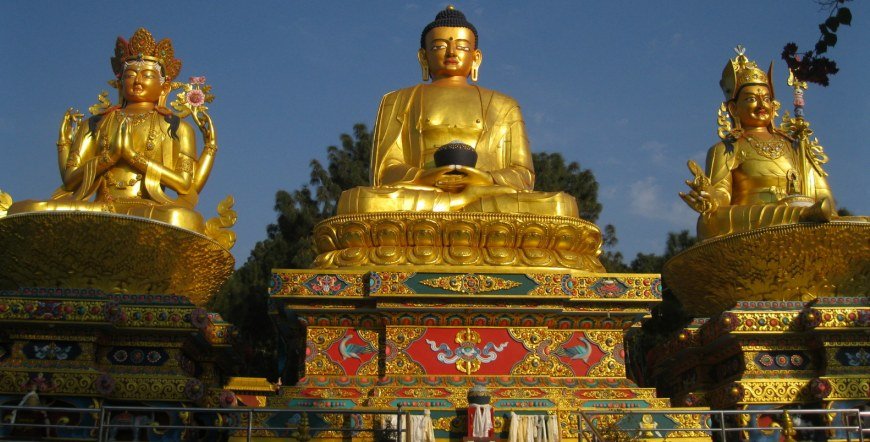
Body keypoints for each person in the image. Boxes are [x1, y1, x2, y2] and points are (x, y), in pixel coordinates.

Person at [337, 6, 579, 217]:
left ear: (476, 58)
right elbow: (385, 171)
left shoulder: (504, 104)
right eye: (440, 45)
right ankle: (457, 206)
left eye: (462, 46)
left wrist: (483, 179)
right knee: (362, 202)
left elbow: (523, 175)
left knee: (559, 206)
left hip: (484, 195)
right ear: (423, 57)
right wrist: (424, 177)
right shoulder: (398, 100)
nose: (452, 52)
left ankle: (459, 206)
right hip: (422, 193)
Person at [8, 28, 215, 233]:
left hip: (146, 208)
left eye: (148, 75)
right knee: (24, 209)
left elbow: (184, 185)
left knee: (181, 218)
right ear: (119, 83)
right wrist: (110, 156)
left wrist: (133, 157)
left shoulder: (177, 127)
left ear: (165, 88)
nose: (138, 80)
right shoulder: (95, 123)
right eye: (130, 74)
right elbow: (71, 179)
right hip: (96, 207)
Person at [680, 47, 834, 240]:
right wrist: (710, 198)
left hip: (807, 212)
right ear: (734, 108)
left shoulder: (795, 146)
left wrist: (825, 208)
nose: (762, 106)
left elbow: (824, 199)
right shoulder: (727, 149)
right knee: (710, 219)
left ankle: (802, 214)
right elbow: (722, 195)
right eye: (752, 99)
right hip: (753, 221)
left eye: (766, 99)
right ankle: (799, 216)